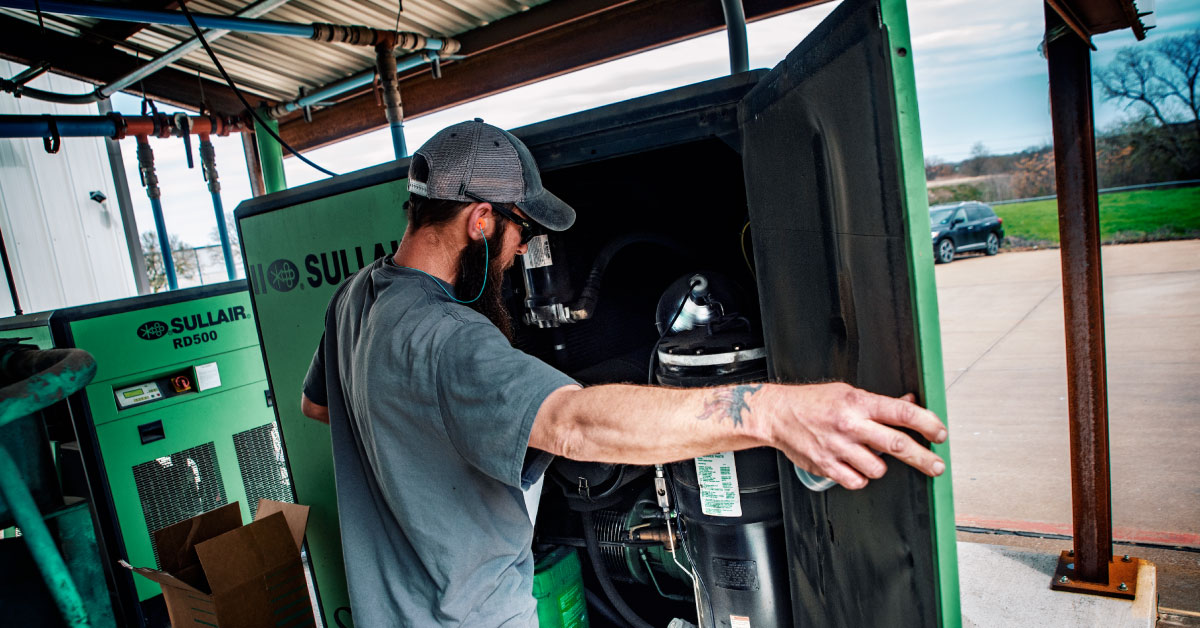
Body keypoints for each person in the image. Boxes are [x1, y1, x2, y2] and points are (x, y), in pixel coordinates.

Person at [300, 119, 947, 626]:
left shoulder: (356, 298)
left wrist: (421, 448)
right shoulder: (447, 336)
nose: (521, 250)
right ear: (480, 219)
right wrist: (772, 413)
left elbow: (322, 409)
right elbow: (573, 424)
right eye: (519, 230)